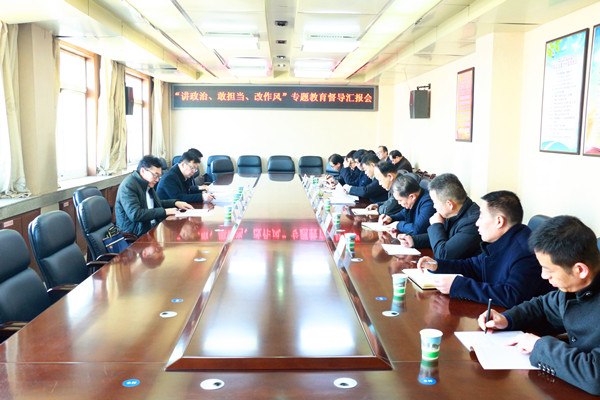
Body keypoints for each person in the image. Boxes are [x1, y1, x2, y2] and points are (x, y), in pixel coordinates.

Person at [479, 216, 600, 395]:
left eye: (549, 269)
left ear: (580, 270)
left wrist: (539, 346)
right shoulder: (574, 287)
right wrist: (506, 319)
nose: (543, 276)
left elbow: (595, 377)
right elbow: (542, 306)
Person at [417, 190, 553, 308]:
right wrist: (438, 265)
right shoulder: (503, 240)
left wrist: (459, 285)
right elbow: (473, 266)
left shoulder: (525, 252)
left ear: (499, 221)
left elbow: (512, 296)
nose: (477, 223)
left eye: (481, 217)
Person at [398, 173, 481, 259]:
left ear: (450, 204)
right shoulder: (455, 211)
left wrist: (436, 225)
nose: (434, 206)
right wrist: (414, 240)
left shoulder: (472, 222)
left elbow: (443, 254)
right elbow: (443, 236)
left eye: (435, 202)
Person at [115, 155, 193, 237]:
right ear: (143, 171)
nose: (157, 180)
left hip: (151, 227)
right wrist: (165, 211)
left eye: (159, 176)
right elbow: (136, 214)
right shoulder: (128, 185)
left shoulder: (147, 183)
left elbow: (155, 204)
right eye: (155, 175)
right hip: (135, 234)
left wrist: (175, 203)